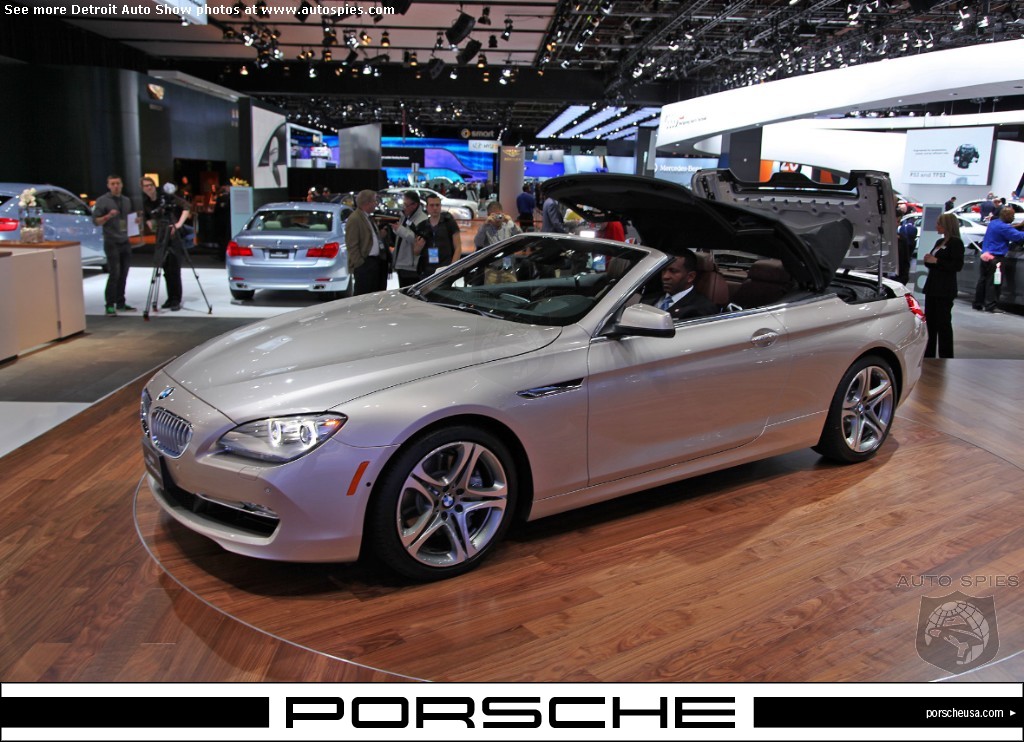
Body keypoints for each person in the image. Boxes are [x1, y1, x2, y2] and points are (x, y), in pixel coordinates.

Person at [140, 177, 191, 311]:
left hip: (173, 235)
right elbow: (148, 218)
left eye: (150, 185)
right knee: (166, 269)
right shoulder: (146, 203)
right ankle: (170, 298)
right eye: (146, 186)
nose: (149, 188)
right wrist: (151, 224)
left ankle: (176, 299)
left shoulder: (166, 196)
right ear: (142, 189)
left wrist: (179, 224)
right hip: (161, 236)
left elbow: (186, 206)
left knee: (174, 268)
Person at [922, 213, 965, 358]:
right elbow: (934, 263)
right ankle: (929, 354)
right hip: (932, 286)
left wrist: (937, 261)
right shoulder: (939, 242)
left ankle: (946, 355)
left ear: (947, 225)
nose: (936, 226)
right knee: (930, 323)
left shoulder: (956, 243)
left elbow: (957, 265)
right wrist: (929, 260)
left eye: (939, 224)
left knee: (943, 323)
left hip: (945, 289)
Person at [92, 174, 135, 315]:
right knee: (114, 273)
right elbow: (95, 221)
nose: (116, 186)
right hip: (111, 241)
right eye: (113, 184)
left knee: (124, 273)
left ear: (122, 185)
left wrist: (135, 222)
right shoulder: (102, 201)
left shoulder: (126, 201)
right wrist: (108, 216)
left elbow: (129, 219)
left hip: (125, 240)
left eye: (118, 183)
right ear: (108, 186)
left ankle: (120, 302)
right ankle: (109, 304)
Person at [974, 205, 1024, 312]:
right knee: (994, 282)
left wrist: (1019, 225)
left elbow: (1008, 229)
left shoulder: (993, 223)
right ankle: (991, 305)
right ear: (1007, 215)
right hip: (996, 258)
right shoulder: (1004, 228)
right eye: (1012, 216)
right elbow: (1019, 236)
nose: (1013, 218)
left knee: (983, 280)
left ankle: (978, 303)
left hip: (986, 256)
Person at [645, 248, 717, 321]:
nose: (665, 276)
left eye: (673, 271)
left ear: (690, 277)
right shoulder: (648, 298)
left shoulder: (701, 309)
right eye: (664, 270)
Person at [345, 189, 389, 295]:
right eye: (374, 201)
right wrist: (360, 264)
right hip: (365, 264)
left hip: (375, 263)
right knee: (364, 296)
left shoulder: (367, 217)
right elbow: (351, 245)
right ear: (367, 203)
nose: (376, 204)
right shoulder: (355, 219)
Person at [416, 194, 462, 276]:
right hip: (426, 270)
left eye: (437, 205)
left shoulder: (449, 223)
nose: (435, 208)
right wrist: (419, 247)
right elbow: (415, 252)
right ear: (427, 207)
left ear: (440, 206)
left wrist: (452, 268)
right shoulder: (422, 226)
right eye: (432, 205)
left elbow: (458, 247)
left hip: (445, 268)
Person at [390, 190, 428, 288]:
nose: (404, 207)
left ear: (415, 205)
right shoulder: (405, 216)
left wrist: (400, 230)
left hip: (411, 266)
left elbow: (418, 239)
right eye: (404, 204)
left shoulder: (422, 219)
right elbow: (401, 235)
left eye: (406, 205)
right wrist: (395, 229)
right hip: (401, 263)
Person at [895, 209, 917, 285]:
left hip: (897, 280)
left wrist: (904, 279)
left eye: (899, 221)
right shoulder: (876, 238)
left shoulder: (902, 239)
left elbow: (906, 261)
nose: (898, 224)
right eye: (896, 221)